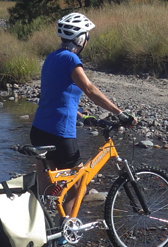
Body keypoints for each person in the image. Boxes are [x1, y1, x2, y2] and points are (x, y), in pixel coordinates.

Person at [30, 12, 133, 170]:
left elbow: (54, 95)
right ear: (80, 39)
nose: (87, 41)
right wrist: (119, 113)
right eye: (87, 37)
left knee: (50, 189)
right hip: (60, 132)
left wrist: (82, 116)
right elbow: (89, 89)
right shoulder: (71, 59)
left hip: (39, 130)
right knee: (78, 187)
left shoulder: (51, 57)